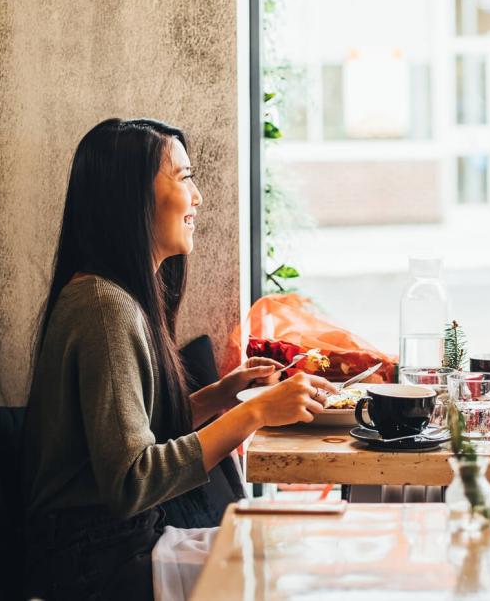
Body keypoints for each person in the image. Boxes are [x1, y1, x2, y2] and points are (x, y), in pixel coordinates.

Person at [20, 118, 338, 600]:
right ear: (132, 196)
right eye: (183, 177)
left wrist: (221, 394)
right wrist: (254, 413)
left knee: (294, 550)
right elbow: (131, 479)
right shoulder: (104, 309)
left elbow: (121, 436)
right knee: (291, 571)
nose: (198, 196)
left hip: (110, 547)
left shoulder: (112, 298)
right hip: (98, 563)